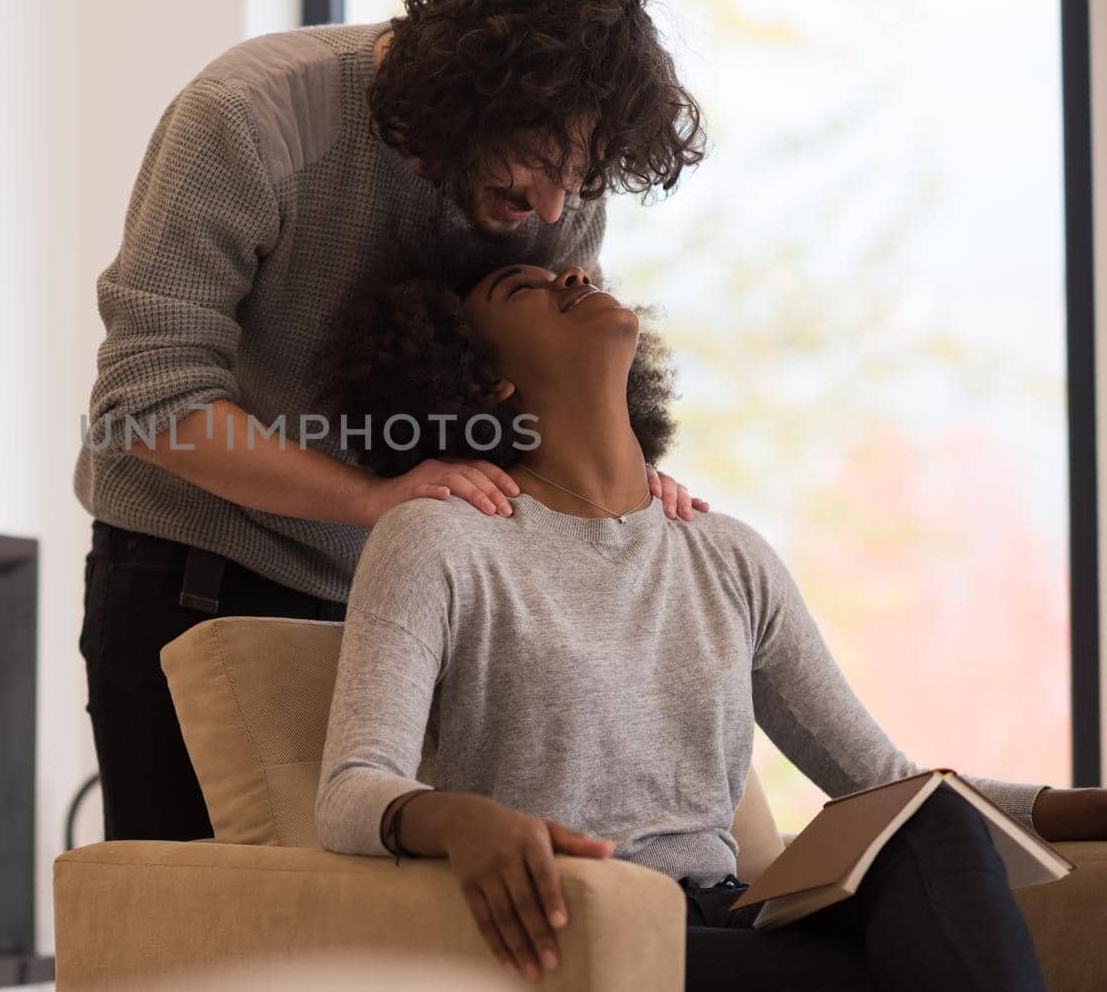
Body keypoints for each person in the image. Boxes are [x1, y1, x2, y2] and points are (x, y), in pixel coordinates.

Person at [315, 241, 1106, 989]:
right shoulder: (438, 537)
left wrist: (1090, 810)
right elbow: (352, 788)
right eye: (525, 288)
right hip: (596, 934)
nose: (573, 280)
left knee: (932, 825)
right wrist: (457, 821)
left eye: (569, 273)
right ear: (486, 380)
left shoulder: (727, 554)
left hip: (736, 918)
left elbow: (888, 785)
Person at [76, 0, 713, 841]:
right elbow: (144, 403)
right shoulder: (248, 117)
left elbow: (545, 395)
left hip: (409, 587)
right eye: (541, 165)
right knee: (200, 939)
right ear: (469, 94)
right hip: (200, 578)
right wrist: (372, 500)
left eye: (583, 178)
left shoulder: (562, 173)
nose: (555, 211)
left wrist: (624, 496)